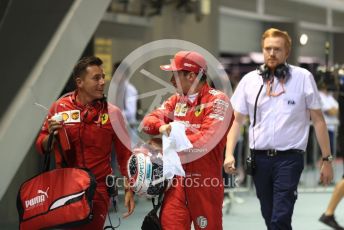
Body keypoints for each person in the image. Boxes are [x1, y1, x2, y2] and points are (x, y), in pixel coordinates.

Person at [224, 28, 334, 230]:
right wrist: (229, 153)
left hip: (289, 159)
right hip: (259, 160)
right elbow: (236, 120)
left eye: (277, 49)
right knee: (269, 214)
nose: (271, 53)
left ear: (287, 52)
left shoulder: (303, 77)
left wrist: (326, 159)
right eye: (267, 49)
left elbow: (318, 120)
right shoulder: (250, 81)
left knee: (280, 217)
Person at [35, 56, 135, 229]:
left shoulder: (113, 113)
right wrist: (51, 135)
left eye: (103, 77)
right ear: (80, 82)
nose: (102, 82)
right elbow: (41, 146)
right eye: (96, 78)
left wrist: (129, 189)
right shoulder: (59, 108)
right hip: (66, 189)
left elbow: (125, 155)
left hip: (99, 190)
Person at [142, 51, 233, 229]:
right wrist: (161, 127)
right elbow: (147, 123)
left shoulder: (219, 101)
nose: (171, 80)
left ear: (191, 75)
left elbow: (206, 140)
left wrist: (166, 143)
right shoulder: (176, 100)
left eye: (175, 74)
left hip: (205, 184)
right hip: (176, 185)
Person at [318, 82, 339, 154]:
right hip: (324, 127)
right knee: (324, 151)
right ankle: (322, 164)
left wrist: (333, 110)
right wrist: (332, 110)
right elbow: (330, 112)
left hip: (332, 127)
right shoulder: (319, 95)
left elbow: (337, 110)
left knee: (331, 150)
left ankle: (328, 163)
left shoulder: (330, 96)